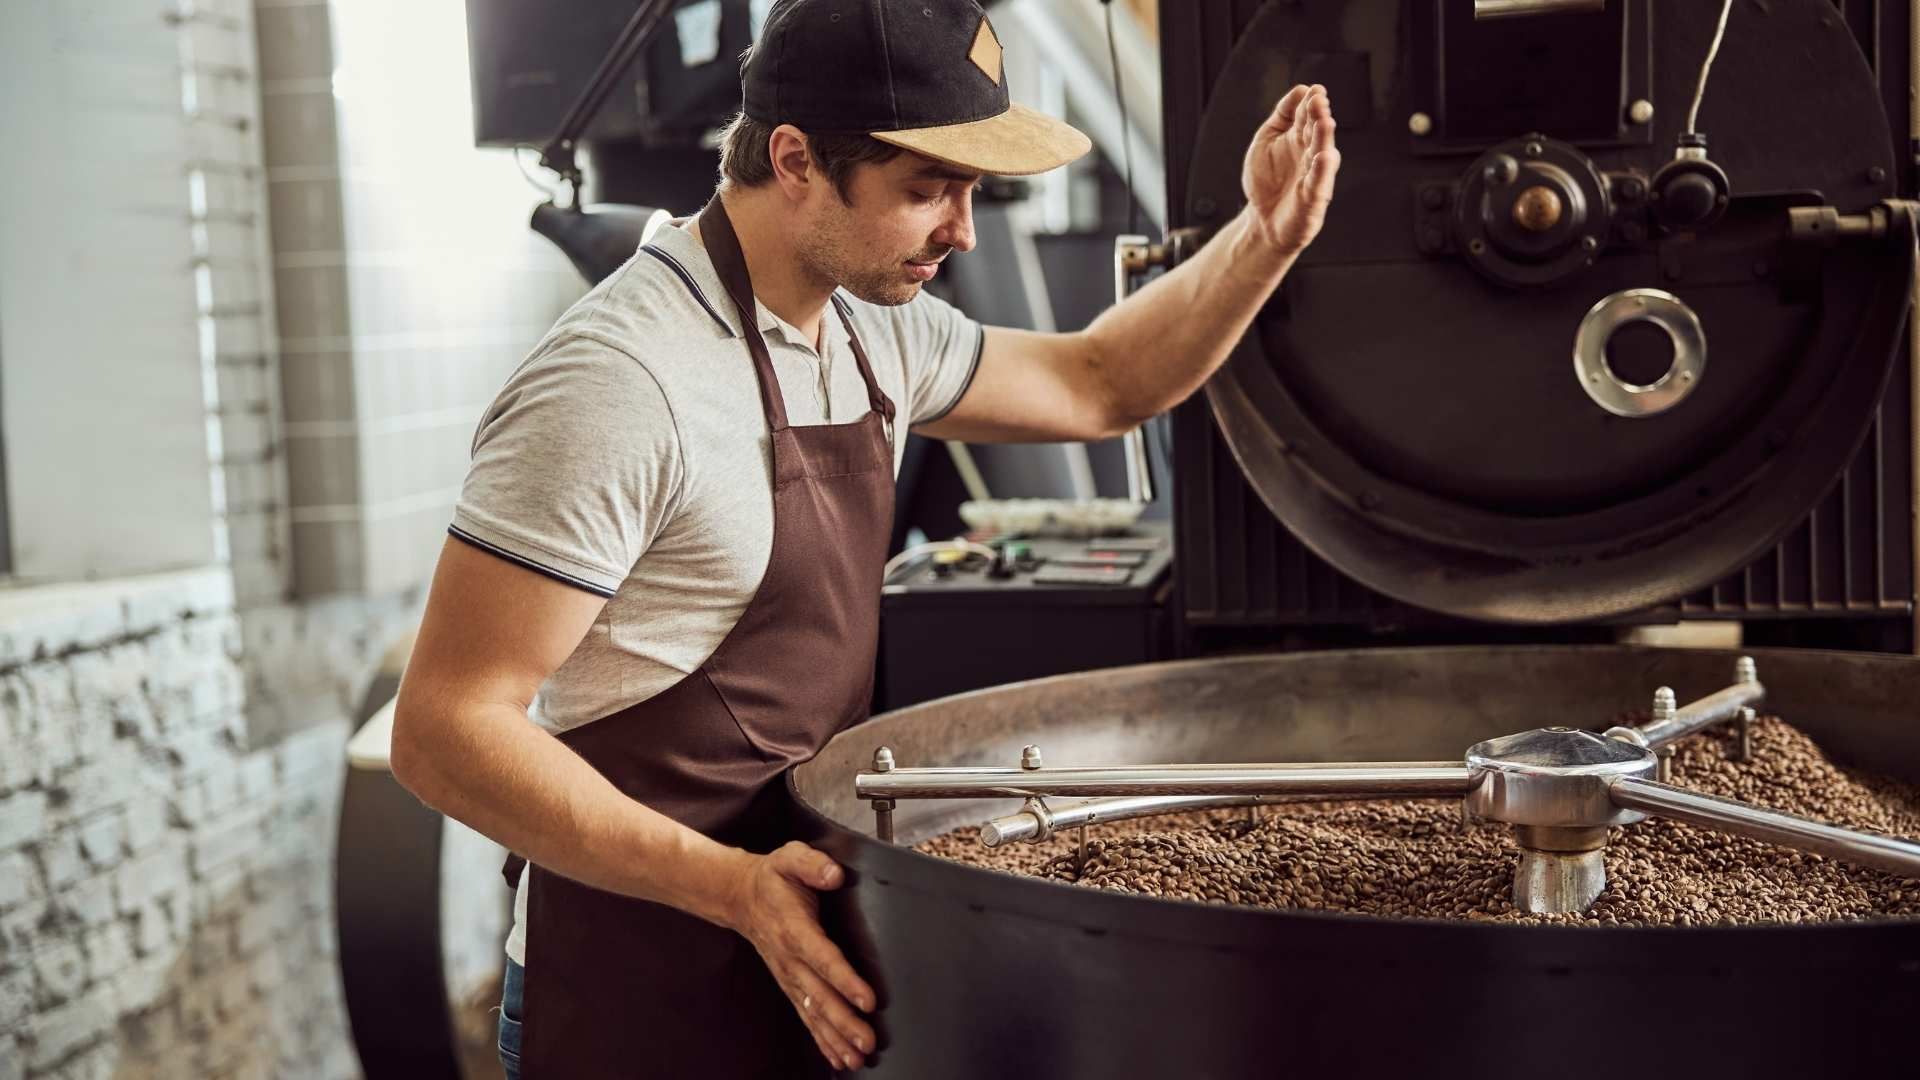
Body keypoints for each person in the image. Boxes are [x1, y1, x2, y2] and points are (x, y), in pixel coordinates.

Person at [388, 0, 1340, 1075]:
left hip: (798, 951)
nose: (963, 231)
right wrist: (732, 889)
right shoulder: (620, 383)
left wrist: (1263, 239)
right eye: (927, 188)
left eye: (971, 189)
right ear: (795, 159)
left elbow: (1099, 381)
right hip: (632, 988)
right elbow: (445, 730)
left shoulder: (871, 324)